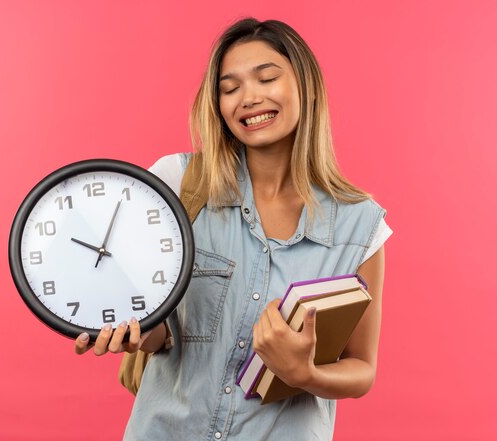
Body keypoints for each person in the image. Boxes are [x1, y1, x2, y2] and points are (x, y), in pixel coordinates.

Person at [75, 17, 391, 440]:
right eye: (230, 88)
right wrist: (139, 332)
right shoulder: (178, 185)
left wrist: (305, 373)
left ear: (306, 87)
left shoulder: (360, 225)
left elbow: (362, 369)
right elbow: (158, 331)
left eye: (266, 78)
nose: (249, 98)